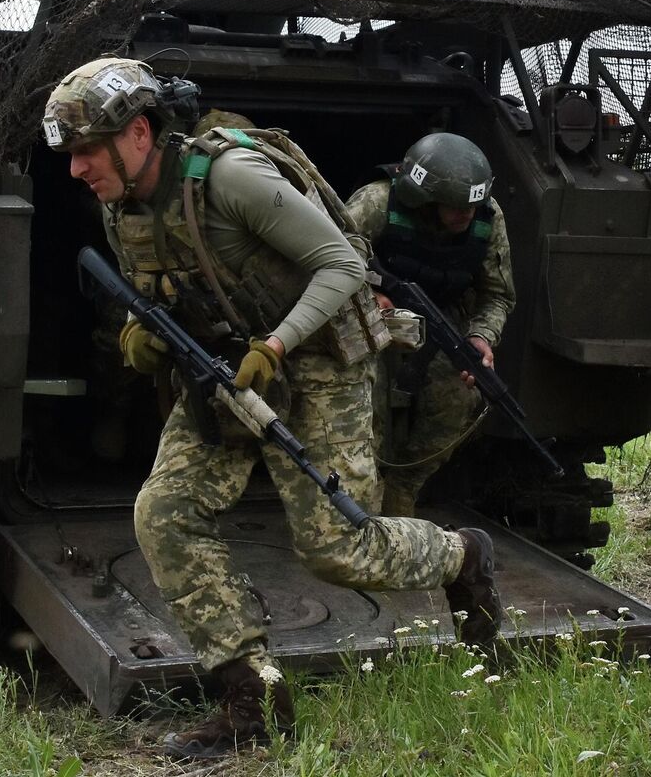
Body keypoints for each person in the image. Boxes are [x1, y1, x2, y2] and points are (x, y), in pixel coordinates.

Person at [42, 57, 503, 758]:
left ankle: (462, 557)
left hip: (318, 361)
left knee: (335, 547)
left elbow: (343, 266)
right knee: (165, 513)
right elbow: (166, 282)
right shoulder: (121, 203)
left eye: (84, 151)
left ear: (138, 133)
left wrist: (278, 345)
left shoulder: (231, 178)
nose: (75, 169)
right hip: (226, 369)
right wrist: (147, 330)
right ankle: (252, 698)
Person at [345, 132, 517, 516]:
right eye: (454, 206)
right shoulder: (376, 201)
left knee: (461, 397)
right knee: (365, 411)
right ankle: (363, 502)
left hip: (440, 324)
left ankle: (403, 490)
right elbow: (330, 255)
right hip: (365, 323)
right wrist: (366, 294)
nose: (466, 215)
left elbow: (497, 295)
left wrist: (480, 336)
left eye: (472, 205)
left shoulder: (487, 217)